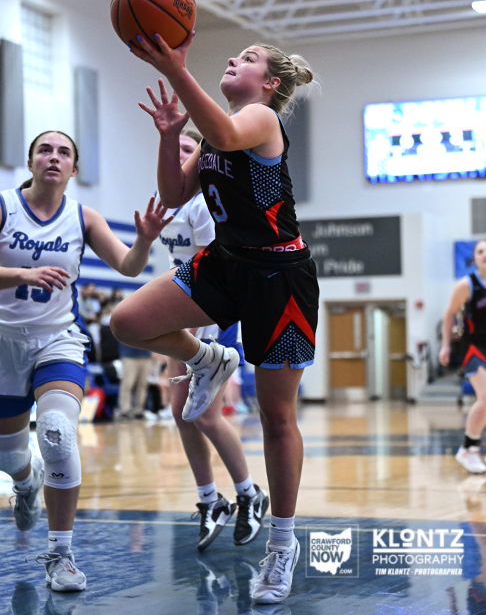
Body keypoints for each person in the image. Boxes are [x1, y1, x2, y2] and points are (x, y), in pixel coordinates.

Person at [111, 35, 319, 604]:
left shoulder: (261, 120)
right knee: (128, 322)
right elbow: (174, 192)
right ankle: (209, 358)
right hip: (225, 264)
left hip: (279, 276)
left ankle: (282, 545)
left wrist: (178, 70)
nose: (233, 59)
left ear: (270, 84)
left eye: (248, 58)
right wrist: (168, 136)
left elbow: (226, 136)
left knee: (277, 417)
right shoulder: (212, 135)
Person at [0, 130, 168, 592]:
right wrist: (23, 274)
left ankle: (60, 555)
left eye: (64, 153)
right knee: (10, 455)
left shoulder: (82, 217)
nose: (53, 158)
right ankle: (26, 481)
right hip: (4, 342)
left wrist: (145, 241)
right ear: (30, 162)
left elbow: (129, 267)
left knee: (56, 433)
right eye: (44, 150)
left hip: (58, 339)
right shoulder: (5, 207)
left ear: (74, 169)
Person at [157, 127, 269, 551]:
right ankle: (210, 499)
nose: (181, 155)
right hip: (181, 308)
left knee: (204, 415)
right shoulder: (165, 200)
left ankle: (249, 493)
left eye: (190, 149)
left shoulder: (204, 201)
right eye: (176, 147)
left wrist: (184, 329)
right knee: (180, 412)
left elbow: (212, 267)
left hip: (211, 312)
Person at [439, 239, 486, 474]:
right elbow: (449, 314)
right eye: (480, 251)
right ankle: (468, 449)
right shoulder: (467, 285)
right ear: (474, 258)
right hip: (476, 346)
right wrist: (445, 346)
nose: (485, 254)